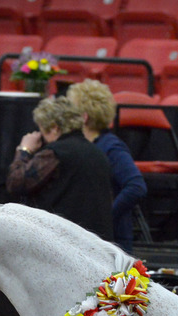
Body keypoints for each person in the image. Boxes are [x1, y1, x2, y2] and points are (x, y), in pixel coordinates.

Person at [6, 96, 114, 241]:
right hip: (97, 239)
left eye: (42, 130)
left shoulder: (55, 153)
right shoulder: (97, 152)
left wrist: (24, 150)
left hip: (64, 240)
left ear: (55, 128)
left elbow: (16, 183)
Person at [66, 79, 148, 254]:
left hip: (112, 242)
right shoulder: (79, 146)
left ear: (84, 117)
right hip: (88, 237)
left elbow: (136, 186)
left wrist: (106, 215)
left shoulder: (111, 147)